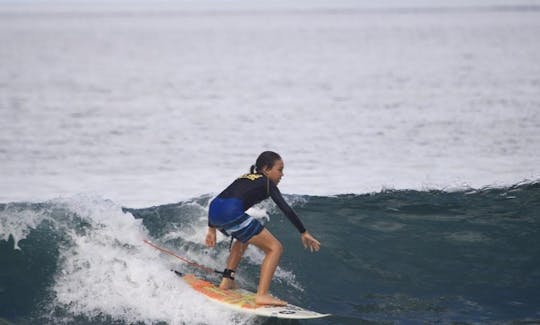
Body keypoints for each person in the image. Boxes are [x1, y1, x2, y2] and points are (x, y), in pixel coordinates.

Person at [205, 151, 321, 306]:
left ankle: (227, 281)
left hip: (214, 211)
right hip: (230, 212)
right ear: (266, 169)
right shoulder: (267, 183)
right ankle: (263, 295)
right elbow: (285, 208)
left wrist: (211, 228)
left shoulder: (246, 177)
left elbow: (220, 199)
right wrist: (303, 231)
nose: (282, 174)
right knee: (275, 248)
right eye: (279, 170)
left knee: (243, 238)